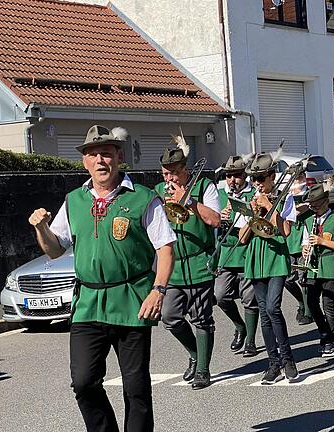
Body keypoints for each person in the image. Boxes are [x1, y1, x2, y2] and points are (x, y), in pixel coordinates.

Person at [28, 125, 175, 432]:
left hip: (133, 300)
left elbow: (165, 249)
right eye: (93, 155)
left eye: (106, 154)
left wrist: (158, 290)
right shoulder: (74, 200)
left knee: (135, 388)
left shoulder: (144, 198)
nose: (100, 161)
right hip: (88, 303)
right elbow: (55, 250)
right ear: (84, 161)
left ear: (118, 157)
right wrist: (41, 228)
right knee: (83, 382)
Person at [154, 138, 220, 390]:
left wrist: (188, 199)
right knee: (170, 317)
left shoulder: (204, 186)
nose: (169, 179)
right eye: (165, 174)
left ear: (185, 170)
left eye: (173, 173)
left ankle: (203, 369)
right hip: (172, 265)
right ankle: (195, 353)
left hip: (199, 262)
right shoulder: (159, 192)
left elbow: (215, 220)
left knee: (202, 318)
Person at [239, 151, 301, 384]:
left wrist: (269, 206)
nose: (256, 184)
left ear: (271, 177)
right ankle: (273, 363)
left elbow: (285, 232)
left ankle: (288, 360)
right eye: (253, 180)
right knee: (264, 312)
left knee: (273, 307)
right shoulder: (249, 201)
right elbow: (243, 239)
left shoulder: (285, 198)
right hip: (256, 258)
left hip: (276, 256)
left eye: (260, 178)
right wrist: (253, 214)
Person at [214, 155, 260, 358]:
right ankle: (239, 326)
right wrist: (219, 217)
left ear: (244, 176)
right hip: (226, 253)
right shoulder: (219, 193)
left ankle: (250, 340)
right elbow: (210, 221)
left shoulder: (253, 194)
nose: (232, 180)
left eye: (237, 176)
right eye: (229, 176)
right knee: (221, 295)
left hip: (247, 251)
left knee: (250, 299)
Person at [301, 184, 334, 357]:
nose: (313, 207)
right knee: (311, 302)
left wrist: (322, 241)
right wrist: (305, 249)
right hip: (313, 266)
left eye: (316, 203)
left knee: (328, 303)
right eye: (311, 204)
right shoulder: (309, 221)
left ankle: (330, 341)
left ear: (325, 201)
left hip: (330, 263)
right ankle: (324, 332)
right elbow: (305, 243)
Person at [283, 170, 313, 325]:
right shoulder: (285, 194)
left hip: (303, 237)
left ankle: (308, 311)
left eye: (300, 176)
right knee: (287, 279)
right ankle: (301, 302)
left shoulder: (309, 193)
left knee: (304, 278)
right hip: (288, 239)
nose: (297, 179)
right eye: (294, 177)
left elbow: (302, 210)